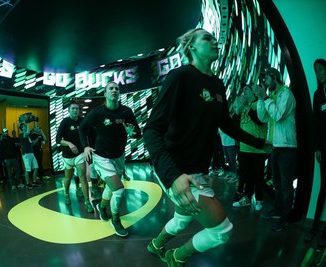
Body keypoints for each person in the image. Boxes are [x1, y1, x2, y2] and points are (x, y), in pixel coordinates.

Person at [143, 28, 266, 266]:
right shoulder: (180, 77)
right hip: (175, 170)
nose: (215, 41)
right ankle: (175, 257)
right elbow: (152, 130)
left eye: (214, 38)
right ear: (191, 46)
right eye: (207, 38)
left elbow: (227, 125)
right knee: (222, 230)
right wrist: (172, 176)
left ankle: (155, 245)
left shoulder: (218, 85)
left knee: (181, 219)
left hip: (198, 170)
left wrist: (260, 143)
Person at [79, 81, 141, 237]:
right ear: (105, 94)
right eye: (111, 89)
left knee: (110, 188)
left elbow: (137, 133)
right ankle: (115, 219)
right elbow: (82, 128)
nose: (114, 90)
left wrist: (132, 133)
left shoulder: (126, 111)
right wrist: (86, 146)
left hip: (119, 156)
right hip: (102, 157)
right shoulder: (97, 113)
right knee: (119, 190)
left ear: (119, 93)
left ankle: (102, 206)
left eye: (116, 89)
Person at [255, 67, 297, 232]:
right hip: (275, 147)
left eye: (266, 78)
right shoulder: (271, 96)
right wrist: (261, 99)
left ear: (275, 77)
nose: (264, 81)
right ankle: (278, 211)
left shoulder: (286, 94)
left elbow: (278, 116)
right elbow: (263, 117)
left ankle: (286, 217)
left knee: (286, 186)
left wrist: (265, 98)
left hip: (287, 147)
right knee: (278, 185)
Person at [232, 84, 268, 211]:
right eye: (242, 91)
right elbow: (233, 126)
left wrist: (246, 106)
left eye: (246, 90)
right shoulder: (242, 107)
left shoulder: (258, 103)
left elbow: (259, 120)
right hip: (244, 148)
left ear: (253, 92)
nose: (243, 93)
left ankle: (259, 199)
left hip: (258, 148)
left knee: (258, 175)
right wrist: (237, 110)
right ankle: (246, 198)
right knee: (246, 175)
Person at [56, 101, 94, 213]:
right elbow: (58, 139)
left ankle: (87, 201)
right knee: (68, 177)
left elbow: (90, 133)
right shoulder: (65, 122)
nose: (75, 110)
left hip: (80, 154)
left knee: (82, 176)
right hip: (67, 156)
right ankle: (66, 193)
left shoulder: (83, 121)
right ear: (69, 111)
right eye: (73, 108)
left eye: (77, 108)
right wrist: (69, 143)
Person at [305, 58, 326, 242]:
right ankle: (314, 228)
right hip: (324, 149)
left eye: (321, 69)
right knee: (323, 189)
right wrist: (317, 148)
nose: (319, 73)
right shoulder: (317, 94)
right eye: (316, 71)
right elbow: (315, 123)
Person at [19, 123, 40, 188]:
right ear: (22, 128)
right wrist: (27, 123)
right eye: (24, 126)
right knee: (28, 169)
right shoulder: (22, 135)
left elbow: (32, 143)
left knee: (36, 167)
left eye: (25, 126)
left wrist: (37, 139)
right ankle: (27, 183)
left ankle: (34, 181)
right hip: (26, 154)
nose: (25, 126)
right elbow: (27, 132)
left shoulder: (28, 136)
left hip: (31, 153)